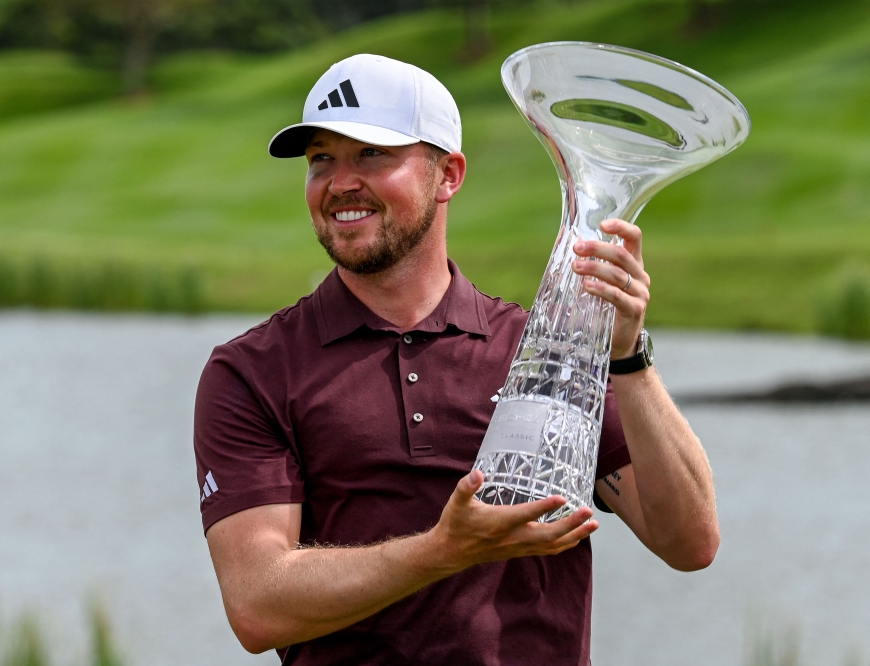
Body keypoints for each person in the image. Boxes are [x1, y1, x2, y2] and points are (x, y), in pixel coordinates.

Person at [194, 54, 719, 665]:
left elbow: (689, 541)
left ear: (448, 175)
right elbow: (258, 605)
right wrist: (446, 549)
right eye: (321, 160)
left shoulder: (541, 353)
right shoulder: (252, 371)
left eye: (372, 154)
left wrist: (627, 357)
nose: (340, 183)